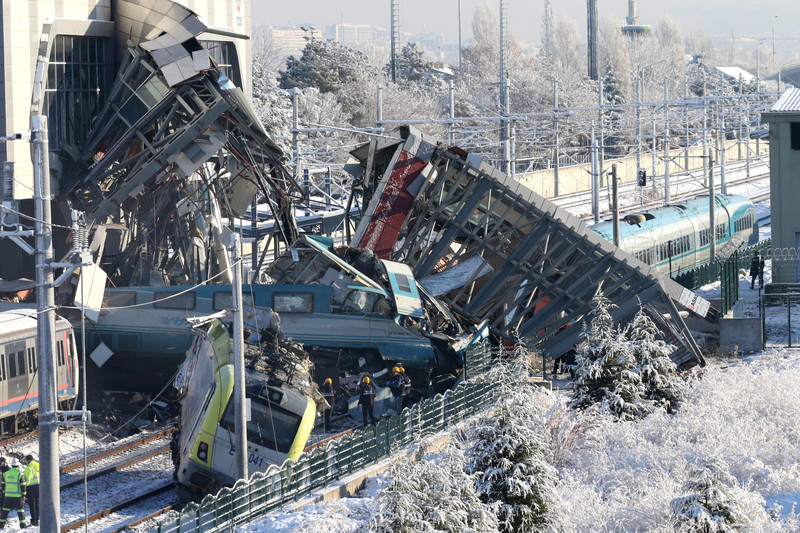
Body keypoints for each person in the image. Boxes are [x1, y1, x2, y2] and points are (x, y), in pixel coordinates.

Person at [0, 457, 27, 529]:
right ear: (18, 465)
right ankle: (23, 525)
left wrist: (4, 492)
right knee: (20, 511)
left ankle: (1, 525)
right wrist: (24, 494)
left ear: (11, 465)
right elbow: (23, 485)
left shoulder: (6, 474)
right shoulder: (20, 474)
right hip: (18, 496)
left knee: (5, 511)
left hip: (8, 496)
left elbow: (3, 484)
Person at [22, 456, 38, 527]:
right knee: (37, 504)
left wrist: (24, 487)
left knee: (32, 506)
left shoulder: (29, 467)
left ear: (27, 461)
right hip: (39, 487)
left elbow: (28, 479)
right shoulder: (38, 465)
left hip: (31, 488)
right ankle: (37, 520)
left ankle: (34, 521)